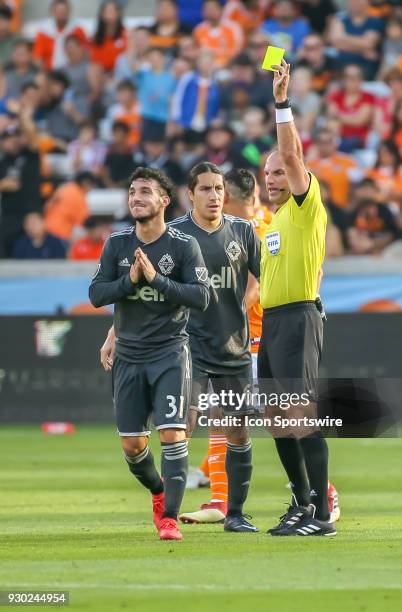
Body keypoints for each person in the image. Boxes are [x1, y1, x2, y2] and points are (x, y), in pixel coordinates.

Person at [89, 167, 209, 541]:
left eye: (144, 192)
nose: (136, 198)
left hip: (170, 352)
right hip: (129, 355)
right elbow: (96, 294)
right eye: (132, 192)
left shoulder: (183, 246)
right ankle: (159, 491)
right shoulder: (117, 244)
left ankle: (170, 518)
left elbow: (202, 296)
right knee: (133, 445)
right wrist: (132, 282)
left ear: (163, 200)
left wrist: (158, 280)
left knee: (173, 434)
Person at [258, 58, 336, 536]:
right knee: (276, 417)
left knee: (299, 413)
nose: (273, 178)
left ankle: (323, 516)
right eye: (268, 173)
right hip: (272, 322)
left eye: (280, 173)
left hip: (299, 318)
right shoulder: (273, 224)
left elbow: (292, 157)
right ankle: (303, 505)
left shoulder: (307, 207)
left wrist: (282, 103)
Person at [179, 167, 264, 523]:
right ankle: (174, 511)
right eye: (207, 189)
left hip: (242, 345)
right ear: (191, 193)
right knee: (184, 424)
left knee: (243, 425)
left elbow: (265, 280)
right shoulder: (176, 235)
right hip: (191, 347)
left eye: (218, 189)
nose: (215, 196)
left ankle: (233, 510)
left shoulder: (248, 230)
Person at [0, 118, 41, 258]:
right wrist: (2, 185)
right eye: (7, 138)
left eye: (15, 136)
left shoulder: (30, 155)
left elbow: (32, 134)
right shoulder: (2, 162)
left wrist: (23, 114)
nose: (12, 140)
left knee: (36, 243)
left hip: (31, 212)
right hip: (9, 214)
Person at [328, 0, 384, 80]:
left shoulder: (375, 21)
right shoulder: (340, 20)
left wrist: (343, 38)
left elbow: (368, 44)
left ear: (367, 2)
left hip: (366, 70)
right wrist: (362, 48)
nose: (354, 2)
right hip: (341, 69)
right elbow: (335, 42)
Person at [327, 64, 375, 153]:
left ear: (361, 79)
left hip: (357, 138)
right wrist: (351, 118)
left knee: (340, 145)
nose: (351, 81)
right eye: (348, 77)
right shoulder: (336, 96)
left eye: (355, 77)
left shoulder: (368, 97)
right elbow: (331, 116)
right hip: (336, 135)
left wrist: (339, 117)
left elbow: (360, 121)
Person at [307, 127, 358, 209]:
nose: (325, 146)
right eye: (321, 142)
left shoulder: (347, 162)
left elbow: (357, 185)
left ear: (334, 143)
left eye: (328, 141)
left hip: (341, 207)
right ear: (316, 144)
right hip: (316, 209)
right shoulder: (309, 165)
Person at [32, 0, 87, 70]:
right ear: (52, 12)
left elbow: (85, 52)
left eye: (64, 11)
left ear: (69, 11)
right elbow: (37, 57)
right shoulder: (44, 31)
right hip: (50, 72)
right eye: (58, 11)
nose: (61, 14)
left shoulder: (77, 30)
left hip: (74, 70)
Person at [44, 171, 97, 242]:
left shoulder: (64, 188)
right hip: (60, 233)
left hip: (46, 228)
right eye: (91, 186)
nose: (90, 190)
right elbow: (85, 220)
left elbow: (47, 207)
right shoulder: (79, 196)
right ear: (85, 183)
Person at [193, 0, 244, 68]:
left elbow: (238, 52)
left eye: (213, 8)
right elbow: (196, 53)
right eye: (207, 8)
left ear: (221, 9)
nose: (210, 11)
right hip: (205, 68)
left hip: (229, 68)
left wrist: (223, 64)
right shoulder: (198, 30)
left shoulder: (233, 28)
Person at [90, 0, 127, 73]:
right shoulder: (96, 36)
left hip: (119, 73)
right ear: (102, 14)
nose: (110, 15)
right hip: (102, 73)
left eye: (113, 11)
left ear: (118, 13)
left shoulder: (126, 34)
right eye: (107, 11)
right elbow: (94, 59)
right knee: (93, 70)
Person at [102, 121, 137, 189]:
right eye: (114, 133)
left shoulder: (132, 152)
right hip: (110, 186)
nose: (116, 135)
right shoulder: (110, 152)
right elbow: (105, 170)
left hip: (128, 186)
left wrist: (121, 184)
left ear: (126, 135)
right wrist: (109, 183)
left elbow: (134, 173)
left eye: (119, 133)